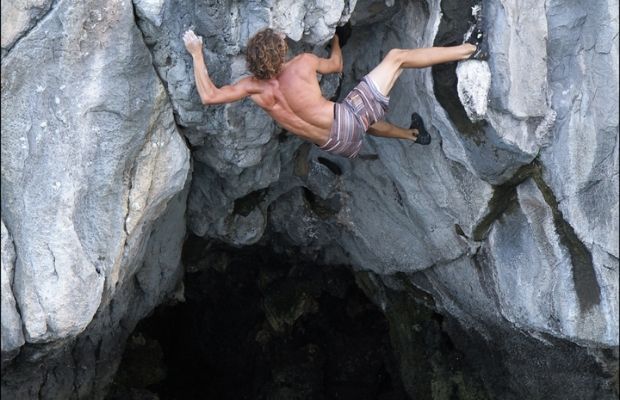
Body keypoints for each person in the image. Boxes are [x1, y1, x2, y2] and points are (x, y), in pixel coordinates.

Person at [183, 26, 483, 158]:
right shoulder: (302, 64)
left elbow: (209, 96)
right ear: (280, 52)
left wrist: (197, 53)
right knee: (396, 57)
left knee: (361, 123)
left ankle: (413, 136)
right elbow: (337, 65)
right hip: (348, 120)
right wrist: (337, 39)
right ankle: (470, 48)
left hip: (335, 145)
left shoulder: (252, 87)